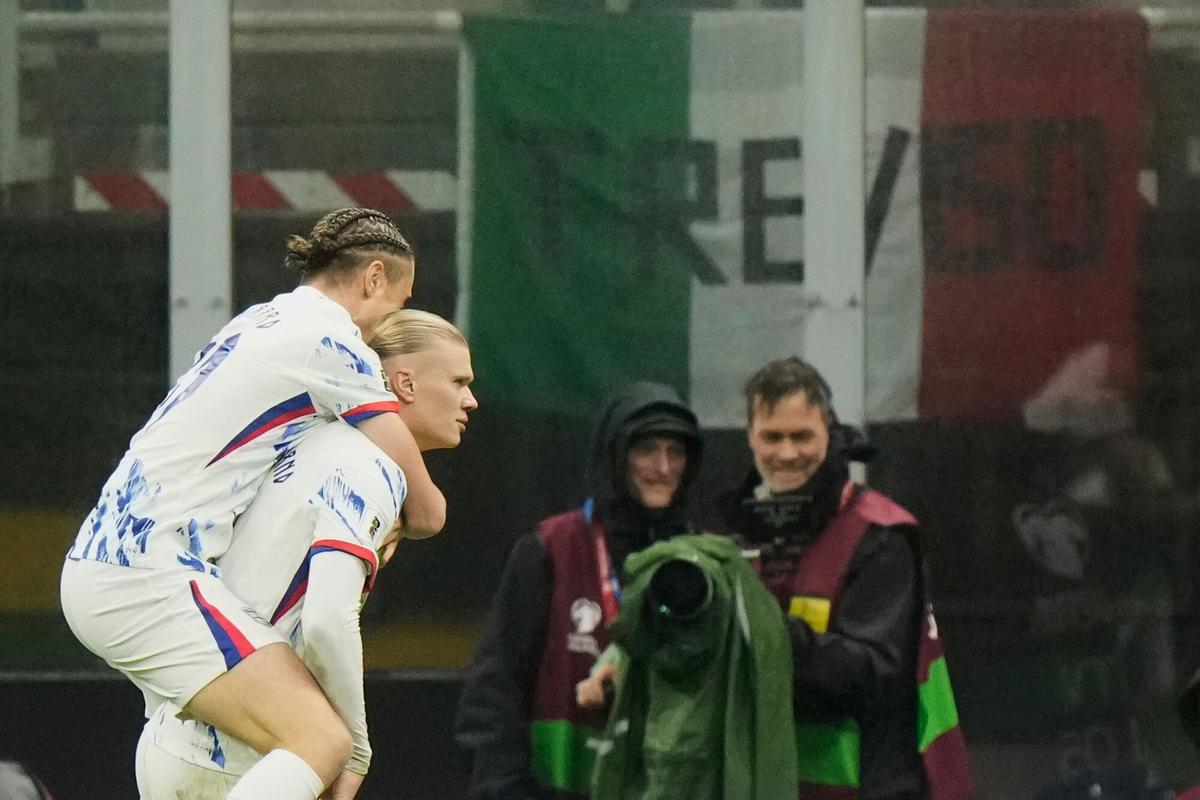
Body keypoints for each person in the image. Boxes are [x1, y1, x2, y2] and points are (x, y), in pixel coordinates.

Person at [60, 208, 446, 800]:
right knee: (323, 740)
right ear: (373, 278)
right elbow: (425, 507)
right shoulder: (335, 343)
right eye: (397, 304)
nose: (385, 331)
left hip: (109, 561)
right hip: (149, 575)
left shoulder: (256, 321)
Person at [133, 308, 478, 800]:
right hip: (247, 757)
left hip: (174, 733)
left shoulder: (302, 437)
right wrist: (354, 743)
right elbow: (325, 620)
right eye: (459, 380)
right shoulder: (371, 466)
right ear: (404, 382)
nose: (471, 399)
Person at [719, 356, 971, 800]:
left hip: (870, 786)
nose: (787, 453)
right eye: (771, 436)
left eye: (802, 436)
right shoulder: (735, 535)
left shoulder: (881, 536)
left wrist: (760, 628)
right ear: (750, 438)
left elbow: (874, 677)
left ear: (830, 433)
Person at [454, 381, 703, 800]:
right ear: (614, 456)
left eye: (676, 451)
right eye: (646, 450)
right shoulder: (550, 549)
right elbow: (494, 695)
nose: (663, 467)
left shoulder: (700, 563)